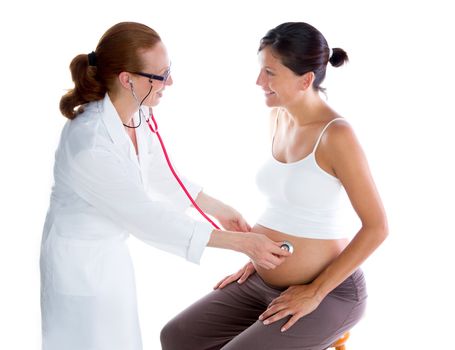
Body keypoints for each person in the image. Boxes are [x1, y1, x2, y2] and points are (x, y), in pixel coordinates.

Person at [39, 21, 291, 350]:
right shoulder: (89, 144)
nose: (169, 82)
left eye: (168, 69)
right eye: (159, 75)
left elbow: (157, 172)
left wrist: (216, 208)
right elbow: (146, 218)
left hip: (110, 260)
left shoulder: (135, 114)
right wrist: (242, 244)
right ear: (127, 80)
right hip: (78, 267)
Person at [160, 21, 388, 350]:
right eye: (260, 70)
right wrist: (256, 257)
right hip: (260, 281)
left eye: (270, 72)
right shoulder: (279, 117)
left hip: (328, 292)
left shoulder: (336, 135)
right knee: (177, 337)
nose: (258, 81)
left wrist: (315, 291)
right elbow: (288, 202)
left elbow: (377, 227)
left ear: (305, 80)